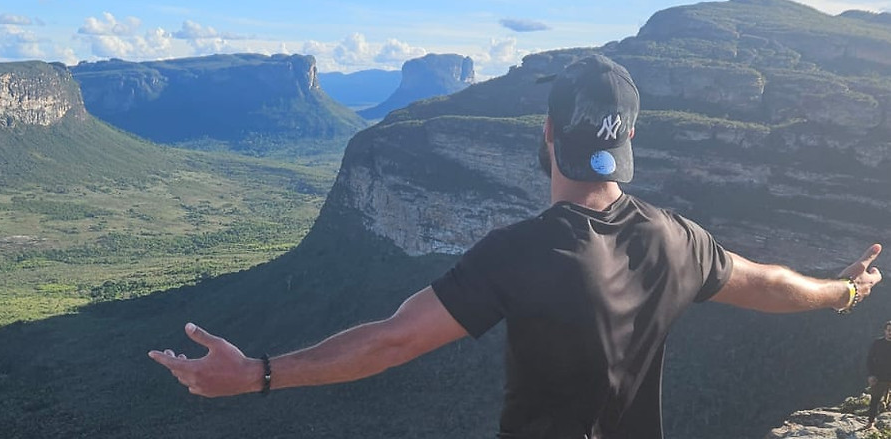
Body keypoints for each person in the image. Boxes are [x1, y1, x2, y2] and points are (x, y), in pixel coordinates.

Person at [148, 55, 884, 439]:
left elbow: (391, 340)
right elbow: (769, 282)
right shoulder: (678, 240)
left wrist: (260, 373)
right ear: (628, 142)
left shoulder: (523, 251)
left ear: (546, 135)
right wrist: (843, 290)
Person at [867, 321, 891, 429]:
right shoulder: (878, 343)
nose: (890, 332)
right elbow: (869, 360)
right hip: (879, 377)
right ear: (885, 331)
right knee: (875, 400)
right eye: (889, 330)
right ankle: (870, 423)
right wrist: (871, 375)